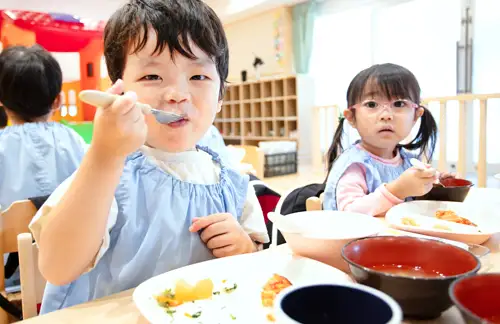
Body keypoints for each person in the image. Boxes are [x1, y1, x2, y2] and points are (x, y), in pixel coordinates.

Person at [30, 0, 269, 313]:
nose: (177, 94)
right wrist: (104, 155)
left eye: (198, 77)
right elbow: (57, 267)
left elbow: (257, 260)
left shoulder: (234, 180)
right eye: (152, 77)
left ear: (221, 95)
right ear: (117, 90)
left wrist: (243, 247)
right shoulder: (112, 170)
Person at [323, 63, 452, 215]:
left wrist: (432, 183)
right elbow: (348, 214)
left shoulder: (409, 162)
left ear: (416, 116)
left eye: (399, 103)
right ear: (351, 117)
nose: (386, 115)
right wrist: (396, 191)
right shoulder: (354, 166)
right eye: (372, 104)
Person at [0, 45, 86, 210]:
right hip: (72, 232)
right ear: (58, 101)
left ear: (2, 101)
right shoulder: (73, 139)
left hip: (11, 235)